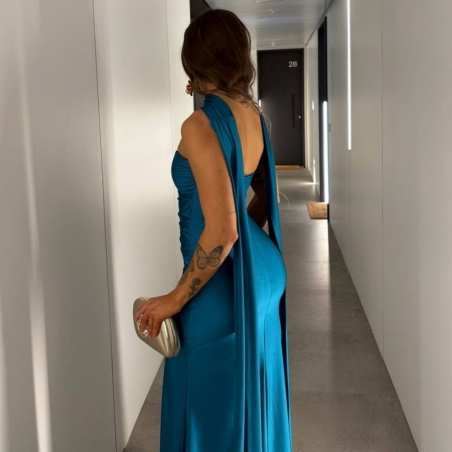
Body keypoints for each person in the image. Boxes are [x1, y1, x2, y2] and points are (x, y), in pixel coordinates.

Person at [134, 9, 292, 452]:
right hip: (262, 271)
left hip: (221, 287)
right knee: (247, 393)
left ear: (194, 61)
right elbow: (263, 199)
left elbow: (222, 233)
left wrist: (174, 298)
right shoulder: (254, 115)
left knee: (205, 404)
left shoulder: (199, 125)